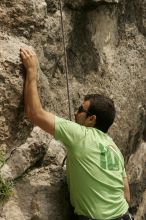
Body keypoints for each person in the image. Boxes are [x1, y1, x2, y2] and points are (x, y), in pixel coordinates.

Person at [20, 48, 133, 220]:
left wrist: (31, 70)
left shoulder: (80, 135)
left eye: (81, 110)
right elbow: (126, 195)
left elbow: (34, 113)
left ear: (91, 119)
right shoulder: (114, 148)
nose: (76, 113)